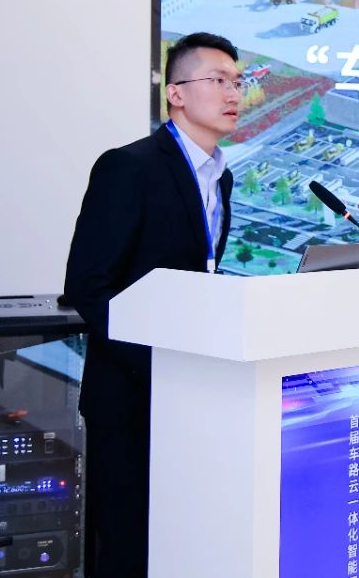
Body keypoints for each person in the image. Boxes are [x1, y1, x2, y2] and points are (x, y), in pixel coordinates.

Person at [62, 32, 243, 577]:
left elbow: (198, 277)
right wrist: (157, 363)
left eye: (238, 82)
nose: (233, 93)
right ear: (176, 93)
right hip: (130, 396)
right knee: (128, 549)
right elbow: (88, 285)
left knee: (179, 544)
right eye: (218, 80)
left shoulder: (221, 178)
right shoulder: (130, 167)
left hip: (191, 394)